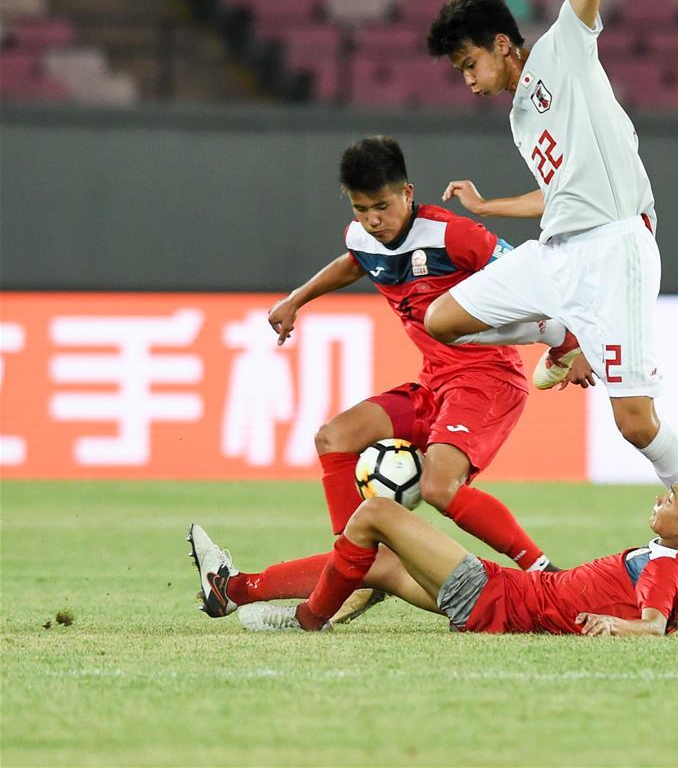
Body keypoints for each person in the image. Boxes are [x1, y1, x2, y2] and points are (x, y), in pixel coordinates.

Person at [191, 136, 573, 621]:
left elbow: (530, 275)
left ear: (408, 193)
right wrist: (297, 299)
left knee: (438, 488)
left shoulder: (452, 235)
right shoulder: (361, 235)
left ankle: (541, 571)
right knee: (334, 436)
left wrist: (566, 343)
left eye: (383, 206)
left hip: (487, 379)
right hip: (434, 383)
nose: (373, 219)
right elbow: (356, 261)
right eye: (361, 208)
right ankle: (355, 565)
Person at [422, 0, 678, 559]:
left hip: (614, 247)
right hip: (558, 253)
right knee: (442, 320)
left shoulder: (565, 51)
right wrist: (491, 205)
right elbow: (558, 193)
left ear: (503, 44)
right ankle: (562, 335)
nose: (468, 79)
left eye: (470, 63)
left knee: (636, 423)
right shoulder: (519, 116)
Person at [190, 467, 678, 638]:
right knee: (385, 565)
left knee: (373, 516)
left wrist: (620, 629)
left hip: (501, 596)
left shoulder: (668, 563)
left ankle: (309, 619)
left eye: (671, 498)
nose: (659, 499)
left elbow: (649, 621)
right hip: (512, 598)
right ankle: (232, 590)